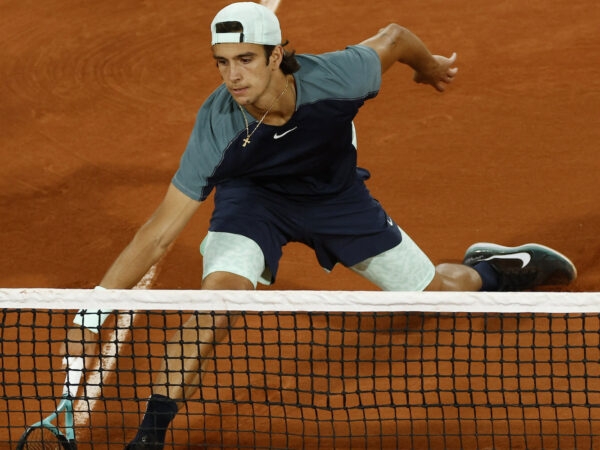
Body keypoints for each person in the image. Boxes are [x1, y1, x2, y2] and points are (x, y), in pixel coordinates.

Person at [64, 2, 577, 449]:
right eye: (222, 63)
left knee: (434, 294)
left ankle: (493, 267)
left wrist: (428, 68)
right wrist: (91, 314)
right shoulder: (217, 126)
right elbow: (157, 232)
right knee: (217, 300)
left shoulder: (338, 77)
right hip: (254, 201)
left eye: (245, 60)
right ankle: (150, 436)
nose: (233, 77)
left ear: (276, 56)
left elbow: (396, 38)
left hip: (335, 198)